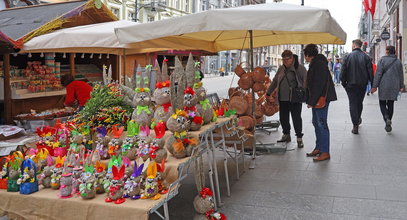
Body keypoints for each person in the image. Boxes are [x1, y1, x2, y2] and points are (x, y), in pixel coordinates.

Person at [266, 50, 307, 148]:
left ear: (292, 58)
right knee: (283, 118)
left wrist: (305, 94)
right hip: (282, 98)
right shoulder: (281, 69)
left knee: (296, 118)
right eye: (283, 60)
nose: (285, 62)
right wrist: (268, 92)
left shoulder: (300, 68)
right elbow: (275, 81)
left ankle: (299, 138)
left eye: (287, 60)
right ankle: (286, 135)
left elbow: (306, 81)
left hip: (295, 99)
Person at [303, 44, 337, 162]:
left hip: (321, 99)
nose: (305, 58)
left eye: (305, 55)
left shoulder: (319, 64)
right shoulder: (316, 63)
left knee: (321, 123)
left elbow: (318, 84)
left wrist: (311, 101)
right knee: (316, 122)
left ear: (308, 55)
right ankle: (319, 147)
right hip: (317, 98)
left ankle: (325, 151)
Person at [340, 39, 374, 134]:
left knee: (353, 103)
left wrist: (343, 83)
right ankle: (358, 119)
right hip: (362, 84)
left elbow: (343, 71)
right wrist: (373, 84)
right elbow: (370, 72)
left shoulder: (348, 57)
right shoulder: (366, 57)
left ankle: (355, 124)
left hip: (350, 84)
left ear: (354, 45)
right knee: (359, 102)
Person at [370, 46, 405, 132]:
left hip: (383, 85)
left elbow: (378, 74)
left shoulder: (382, 60)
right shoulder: (398, 61)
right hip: (394, 85)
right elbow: (401, 74)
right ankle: (388, 120)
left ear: (387, 51)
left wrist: (374, 86)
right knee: (390, 103)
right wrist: (401, 85)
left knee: (382, 102)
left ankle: (386, 118)